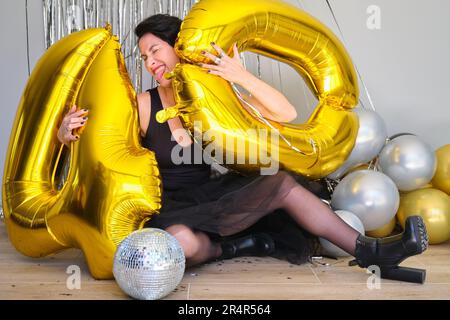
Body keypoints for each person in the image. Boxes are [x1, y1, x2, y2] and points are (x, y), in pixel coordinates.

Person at [57, 14, 428, 280]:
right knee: (182, 243)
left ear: (178, 48)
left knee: (281, 182)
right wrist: (64, 135)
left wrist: (239, 75)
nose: (151, 63)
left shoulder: (212, 95)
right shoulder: (142, 104)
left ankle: (371, 252)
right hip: (170, 205)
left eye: (156, 51)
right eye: (145, 57)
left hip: (215, 194)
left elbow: (287, 112)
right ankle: (235, 247)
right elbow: (102, 154)